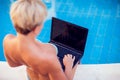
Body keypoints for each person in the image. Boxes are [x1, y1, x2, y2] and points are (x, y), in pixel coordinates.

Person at [3, 0, 78, 80]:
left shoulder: (8, 40)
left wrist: (31, 63)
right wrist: (69, 65)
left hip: (31, 77)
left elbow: (12, 64)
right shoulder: (49, 59)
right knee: (76, 61)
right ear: (36, 29)